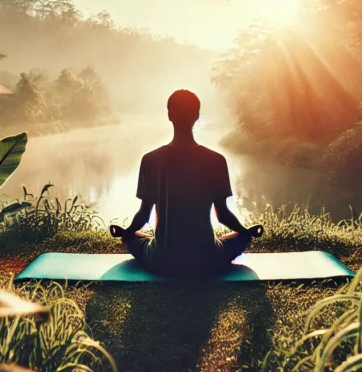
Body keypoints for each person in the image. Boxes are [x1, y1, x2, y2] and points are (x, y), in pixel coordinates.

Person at [109, 89, 263, 276]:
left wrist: (126, 232)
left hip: (161, 260)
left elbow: (143, 215)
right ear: (197, 116)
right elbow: (222, 215)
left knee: (131, 238)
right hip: (206, 260)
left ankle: (141, 242)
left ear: (169, 115)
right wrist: (245, 231)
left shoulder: (150, 160)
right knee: (240, 238)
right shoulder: (216, 160)